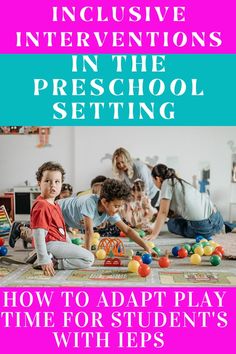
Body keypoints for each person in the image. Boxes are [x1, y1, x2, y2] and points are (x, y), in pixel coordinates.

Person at [10, 162, 94, 275]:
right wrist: (44, 258)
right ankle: (50, 261)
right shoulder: (42, 205)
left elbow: (62, 230)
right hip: (51, 244)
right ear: (39, 183)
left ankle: (44, 257)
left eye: (57, 181)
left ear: (61, 184)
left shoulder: (55, 205)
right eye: (47, 181)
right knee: (89, 258)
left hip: (57, 244)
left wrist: (70, 246)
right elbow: (38, 234)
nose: (52, 185)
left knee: (82, 253)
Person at [145, 163, 236, 241]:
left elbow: (163, 212)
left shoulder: (166, 183)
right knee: (182, 218)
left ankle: (215, 232)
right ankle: (226, 228)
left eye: (153, 181)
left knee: (171, 224)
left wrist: (154, 234)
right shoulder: (179, 181)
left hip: (204, 228)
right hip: (217, 218)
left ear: (157, 178)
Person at [58, 178, 152, 253]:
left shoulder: (110, 211)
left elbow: (127, 230)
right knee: (63, 248)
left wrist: (145, 246)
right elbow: (88, 231)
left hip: (64, 221)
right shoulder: (90, 203)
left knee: (68, 247)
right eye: (116, 206)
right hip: (55, 211)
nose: (118, 209)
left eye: (120, 206)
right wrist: (87, 252)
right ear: (104, 202)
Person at [9, 181, 73, 249]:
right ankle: (20, 227)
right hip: (45, 226)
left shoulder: (63, 204)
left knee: (58, 242)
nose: (66, 199)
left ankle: (24, 227)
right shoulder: (54, 203)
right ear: (59, 194)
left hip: (51, 227)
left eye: (68, 197)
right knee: (45, 241)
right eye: (65, 196)